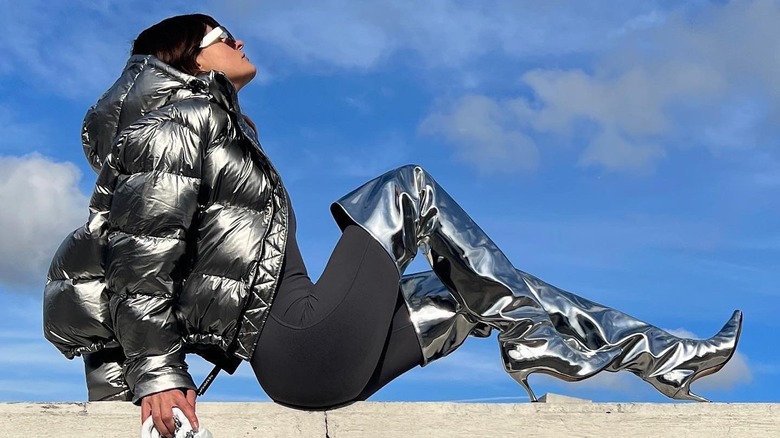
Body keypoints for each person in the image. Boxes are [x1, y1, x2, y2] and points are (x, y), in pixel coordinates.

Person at [43, 14, 742, 438]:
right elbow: (142, 256)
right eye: (226, 36)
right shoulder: (178, 119)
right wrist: (157, 374)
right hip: (301, 342)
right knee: (408, 189)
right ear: (190, 55)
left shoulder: (176, 126)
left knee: (482, 284)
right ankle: (535, 342)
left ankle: (665, 356)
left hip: (315, 355)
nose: (242, 40)